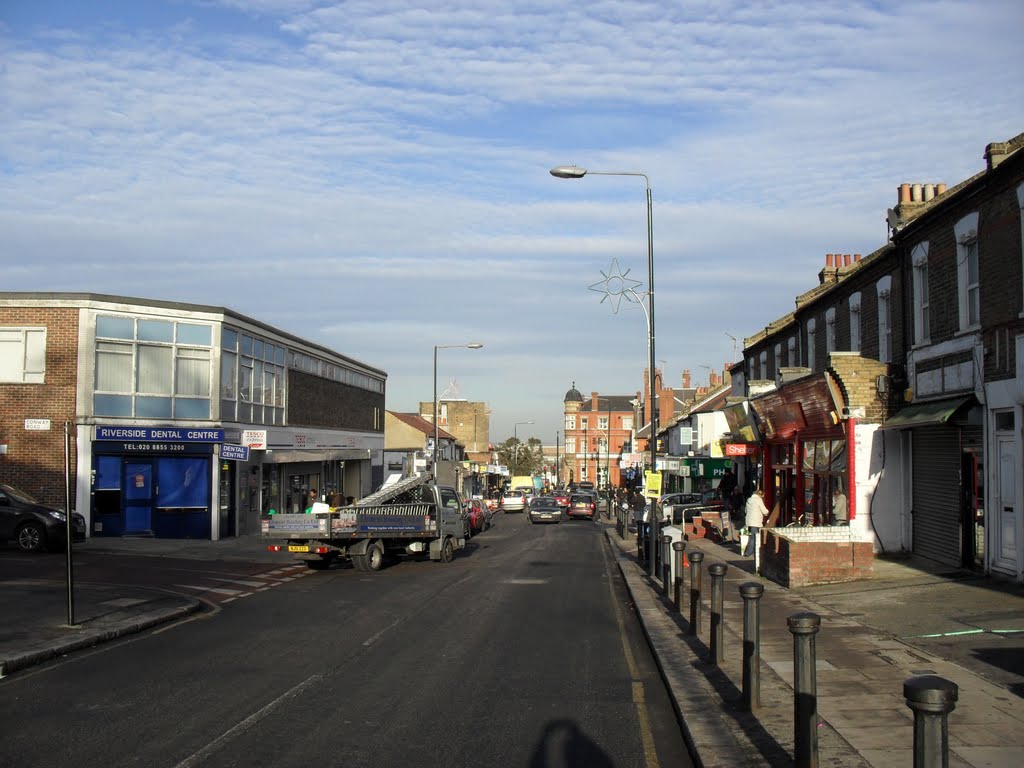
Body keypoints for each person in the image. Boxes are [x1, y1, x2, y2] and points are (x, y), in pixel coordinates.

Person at [743, 488, 769, 557]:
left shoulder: (749, 500)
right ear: (760, 495)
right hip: (755, 522)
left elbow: (745, 511)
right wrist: (767, 512)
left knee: (750, 537)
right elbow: (764, 510)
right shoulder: (758, 500)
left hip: (748, 522)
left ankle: (750, 551)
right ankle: (749, 553)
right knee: (754, 538)